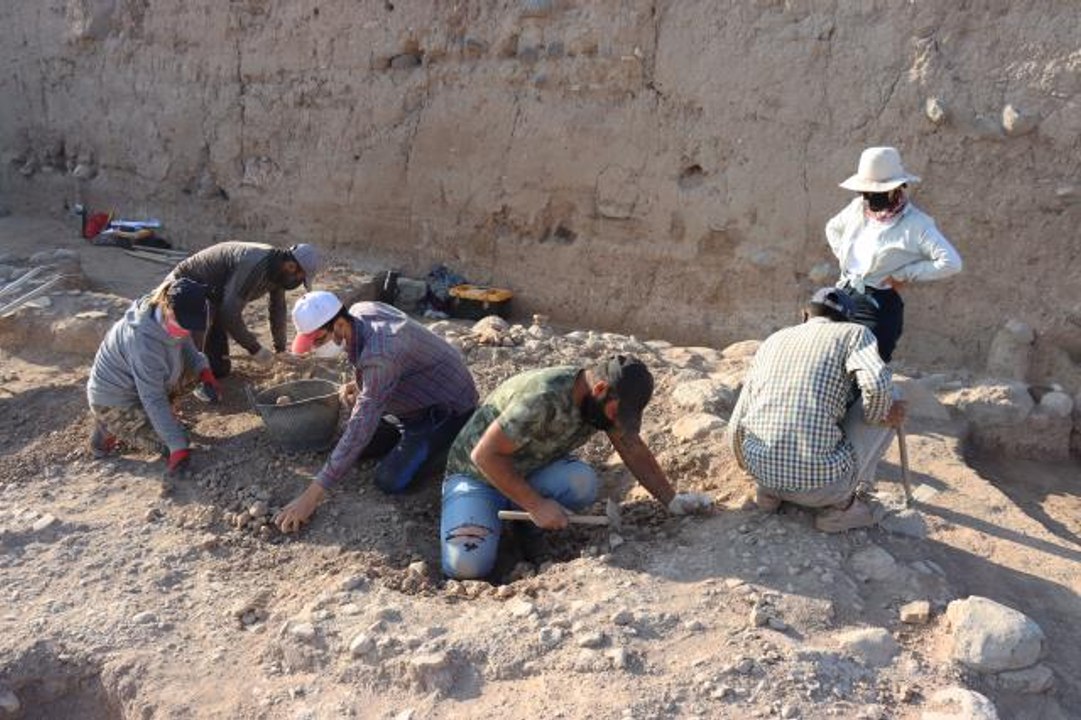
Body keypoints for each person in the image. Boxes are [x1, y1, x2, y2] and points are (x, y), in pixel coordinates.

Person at [440, 355, 711, 580]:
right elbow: (485, 456)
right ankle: (510, 514)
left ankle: (522, 523)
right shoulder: (543, 397)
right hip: (477, 476)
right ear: (600, 389)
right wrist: (536, 504)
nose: (619, 423)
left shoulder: (601, 404)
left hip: (528, 470)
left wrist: (672, 500)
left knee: (582, 482)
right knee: (467, 566)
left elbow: (631, 446)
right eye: (618, 414)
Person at [274, 292, 479, 532]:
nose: (315, 348)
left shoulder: (382, 356)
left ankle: (452, 445)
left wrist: (311, 496)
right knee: (355, 449)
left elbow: (361, 424)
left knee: (390, 480)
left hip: (447, 410)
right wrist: (361, 383)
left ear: (339, 324)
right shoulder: (360, 311)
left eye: (319, 341)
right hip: (413, 399)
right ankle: (408, 436)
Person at [726, 288, 906, 532]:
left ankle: (769, 495)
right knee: (891, 395)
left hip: (761, 473)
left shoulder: (774, 339)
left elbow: (740, 415)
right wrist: (881, 414)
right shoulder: (855, 333)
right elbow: (876, 384)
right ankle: (841, 508)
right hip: (821, 489)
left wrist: (750, 465)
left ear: (804, 315)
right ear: (847, 320)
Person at [826, 146, 962, 362]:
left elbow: (951, 262)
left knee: (865, 365)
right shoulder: (857, 208)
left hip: (876, 303)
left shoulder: (917, 225)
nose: (870, 197)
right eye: (866, 192)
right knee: (821, 352)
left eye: (877, 192)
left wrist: (904, 274)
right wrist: (845, 257)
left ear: (897, 188)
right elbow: (832, 228)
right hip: (843, 292)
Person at [87, 278, 220, 477]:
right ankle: (108, 427)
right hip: (115, 401)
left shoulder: (170, 314)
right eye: (182, 325)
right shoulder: (142, 343)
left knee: (194, 375)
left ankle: (157, 421)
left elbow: (187, 346)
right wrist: (176, 446)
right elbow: (153, 398)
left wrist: (205, 372)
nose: (185, 331)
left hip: (145, 386)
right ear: (166, 307)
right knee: (176, 442)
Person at [167, 241, 320, 378]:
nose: (298, 283)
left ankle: (195, 369)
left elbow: (277, 309)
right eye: (300, 278)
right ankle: (179, 376)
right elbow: (229, 314)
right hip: (185, 289)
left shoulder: (279, 270)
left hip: (214, 297)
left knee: (219, 369)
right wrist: (255, 349)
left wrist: (280, 349)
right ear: (291, 266)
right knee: (195, 364)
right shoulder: (255, 264)